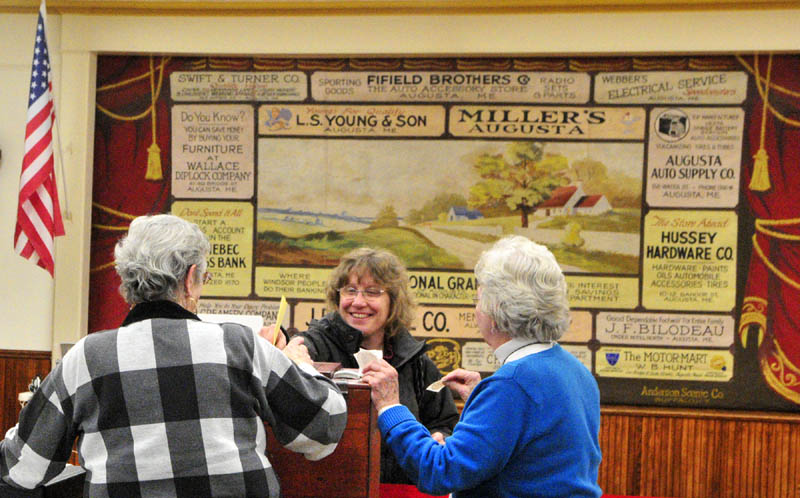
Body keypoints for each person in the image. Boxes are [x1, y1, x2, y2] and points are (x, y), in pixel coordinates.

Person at [0, 214, 347, 497]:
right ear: (191, 277)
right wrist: (302, 365)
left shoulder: (87, 356)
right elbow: (324, 430)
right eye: (204, 276)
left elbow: (23, 470)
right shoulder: (238, 343)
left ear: (125, 279)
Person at [362, 236, 602, 498]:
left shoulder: (512, 386)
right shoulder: (574, 370)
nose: (476, 310)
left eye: (478, 300)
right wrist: (483, 401)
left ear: (497, 310)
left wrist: (390, 406)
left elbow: (439, 471)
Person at [277, 247, 459, 485]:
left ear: (393, 301)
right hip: (330, 488)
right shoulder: (318, 343)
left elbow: (444, 422)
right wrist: (284, 349)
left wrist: (441, 436)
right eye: (350, 290)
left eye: (372, 292)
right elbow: (293, 352)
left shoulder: (416, 360)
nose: (358, 302)